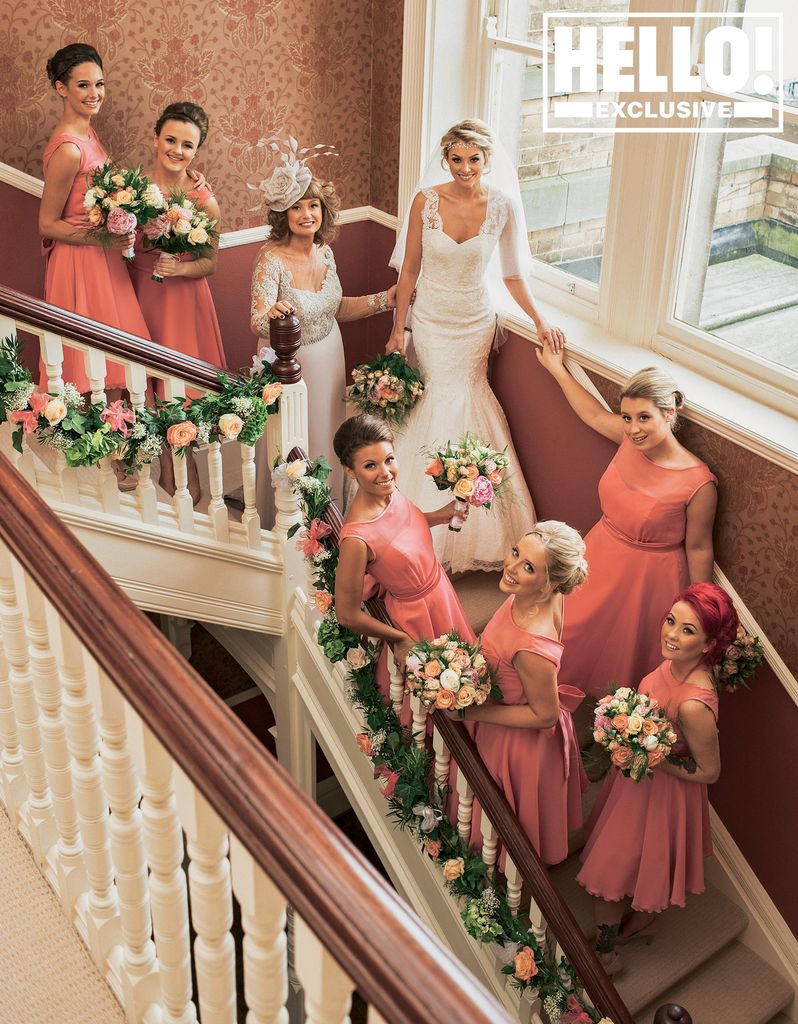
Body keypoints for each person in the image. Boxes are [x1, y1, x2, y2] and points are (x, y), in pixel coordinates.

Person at [386, 118, 565, 573]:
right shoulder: (425, 202)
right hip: (429, 320)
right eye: (457, 159)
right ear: (445, 158)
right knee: (434, 401)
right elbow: (408, 271)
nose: (465, 168)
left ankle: (468, 529)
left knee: (468, 396)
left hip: (473, 321)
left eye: (474, 159)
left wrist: (541, 320)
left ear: (487, 160)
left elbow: (511, 275)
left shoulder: (502, 207)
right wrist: (397, 331)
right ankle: (410, 520)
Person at [576, 583, 738, 976]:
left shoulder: (695, 705)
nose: (671, 634)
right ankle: (638, 920)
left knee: (611, 870)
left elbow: (709, 771)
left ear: (708, 644)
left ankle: (606, 955)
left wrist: (649, 755)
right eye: (671, 621)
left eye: (687, 630)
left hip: (663, 790)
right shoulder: (670, 664)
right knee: (629, 859)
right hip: (636, 781)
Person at [537, 351, 718, 703]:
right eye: (627, 417)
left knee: (622, 655)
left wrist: (702, 611)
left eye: (644, 417)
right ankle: (548, 699)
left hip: (647, 578)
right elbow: (591, 413)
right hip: (599, 552)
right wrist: (556, 367)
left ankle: (600, 722)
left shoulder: (699, 483)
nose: (633, 428)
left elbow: (699, 549)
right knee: (563, 628)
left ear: (670, 413)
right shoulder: (628, 439)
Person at [251, 142, 397, 511]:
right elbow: (255, 319)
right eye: (296, 206)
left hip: (331, 355)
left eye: (313, 205)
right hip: (291, 365)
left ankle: (325, 513)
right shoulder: (270, 259)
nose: (306, 213)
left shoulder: (326, 253)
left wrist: (387, 299)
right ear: (282, 213)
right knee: (295, 436)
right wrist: (272, 314)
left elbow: (335, 309)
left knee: (328, 432)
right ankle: (289, 513)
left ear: (323, 211)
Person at [442, 524, 588, 865]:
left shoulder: (531, 646)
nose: (512, 566)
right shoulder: (536, 595)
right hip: (513, 718)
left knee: (509, 826)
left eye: (528, 567)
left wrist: (470, 713)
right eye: (517, 552)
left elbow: (545, 715)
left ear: (549, 583)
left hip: (517, 744)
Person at [333, 415, 475, 726]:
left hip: (441, 594)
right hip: (416, 617)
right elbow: (346, 614)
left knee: (467, 679)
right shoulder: (356, 538)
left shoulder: (389, 492)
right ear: (350, 471)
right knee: (439, 704)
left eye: (389, 459)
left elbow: (406, 527)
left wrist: (441, 514)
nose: (385, 473)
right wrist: (398, 639)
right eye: (370, 466)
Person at [128, 101, 225, 504]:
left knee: (178, 388)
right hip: (141, 294)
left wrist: (179, 268)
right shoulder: (130, 188)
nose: (177, 150)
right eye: (171, 139)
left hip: (183, 300)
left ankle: (188, 476)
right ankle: (161, 467)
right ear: (156, 138)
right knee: (146, 382)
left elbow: (211, 262)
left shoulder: (203, 199)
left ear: (196, 151)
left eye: (187, 145)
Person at [39, 43, 150, 393]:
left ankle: (115, 447)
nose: (94, 93)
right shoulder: (69, 148)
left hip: (103, 260)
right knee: (85, 371)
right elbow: (47, 224)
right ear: (61, 88)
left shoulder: (89, 133)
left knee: (114, 362)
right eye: (83, 85)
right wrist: (104, 237)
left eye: (99, 84)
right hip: (78, 265)